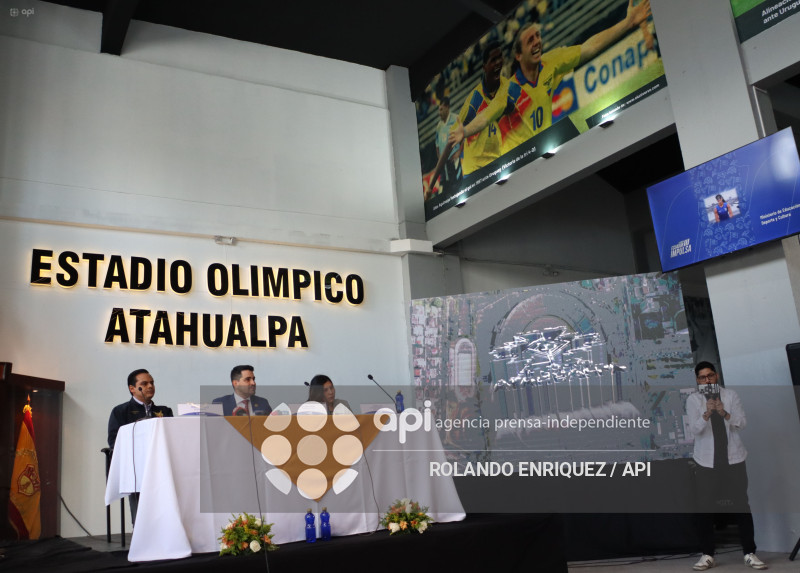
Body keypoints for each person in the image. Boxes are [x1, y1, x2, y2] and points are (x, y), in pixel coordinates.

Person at [450, 0, 652, 155]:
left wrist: (628, 23)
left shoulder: (550, 62)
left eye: (537, 36)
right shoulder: (511, 89)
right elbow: (486, 117)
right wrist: (464, 132)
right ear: (518, 56)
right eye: (530, 40)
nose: (537, 42)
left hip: (545, 153)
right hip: (517, 162)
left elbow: (589, 47)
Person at [686, 361, 767, 570]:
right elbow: (695, 430)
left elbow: (741, 423)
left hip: (734, 459)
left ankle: (749, 553)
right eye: (702, 377)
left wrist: (724, 413)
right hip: (706, 461)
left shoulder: (730, 395)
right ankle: (707, 555)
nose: (707, 380)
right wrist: (706, 413)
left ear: (716, 376)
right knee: (704, 508)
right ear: (697, 380)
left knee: (742, 505)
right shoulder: (693, 400)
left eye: (710, 376)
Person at [107, 368, 173, 524]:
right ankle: (141, 535)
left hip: (162, 466)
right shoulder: (121, 411)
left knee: (165, 510)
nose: (150, 386)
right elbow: (114, 440)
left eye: (152, 383)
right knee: (142, 514)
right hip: (137, 468)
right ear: (132, 388)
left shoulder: (164, 411)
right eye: (144, 383)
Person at [424, 96, 462, 200]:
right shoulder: (439, 126)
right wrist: (440, 158)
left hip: (455, 161)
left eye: (441, 109)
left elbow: (463, 136)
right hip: (444, 164)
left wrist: (458, 152)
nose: (439, 112)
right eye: (438, 110)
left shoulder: (456, 119)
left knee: (457, 186)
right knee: (444, 190)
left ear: (447, 107)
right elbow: (437, 145)